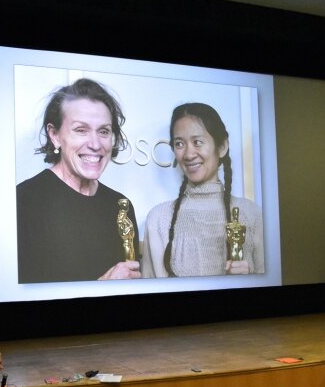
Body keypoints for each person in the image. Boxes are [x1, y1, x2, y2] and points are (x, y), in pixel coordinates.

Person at [16, 78, 141, 283]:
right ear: (55, 135)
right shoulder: (23, 201)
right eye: (81, 130)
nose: (95, 144)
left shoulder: (121, 206)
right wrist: (101, 287)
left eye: (103, 131)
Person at [142, 102, 264, 277]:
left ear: (222, 147)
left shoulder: (251, 214)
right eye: (179, 144)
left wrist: (251, 279)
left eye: (197, 142)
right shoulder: (158, 219)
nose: (189, 154)